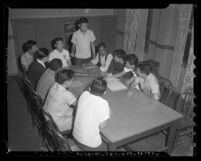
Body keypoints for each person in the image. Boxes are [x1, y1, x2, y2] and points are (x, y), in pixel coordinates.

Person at [73, 77, 111, 151]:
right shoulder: (103, 103)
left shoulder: (84, 94)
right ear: (105, 92)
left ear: (89, 88)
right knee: (107, 147)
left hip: (75, 137)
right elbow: (102, 126)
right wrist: (107, 113)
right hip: (89, 145)